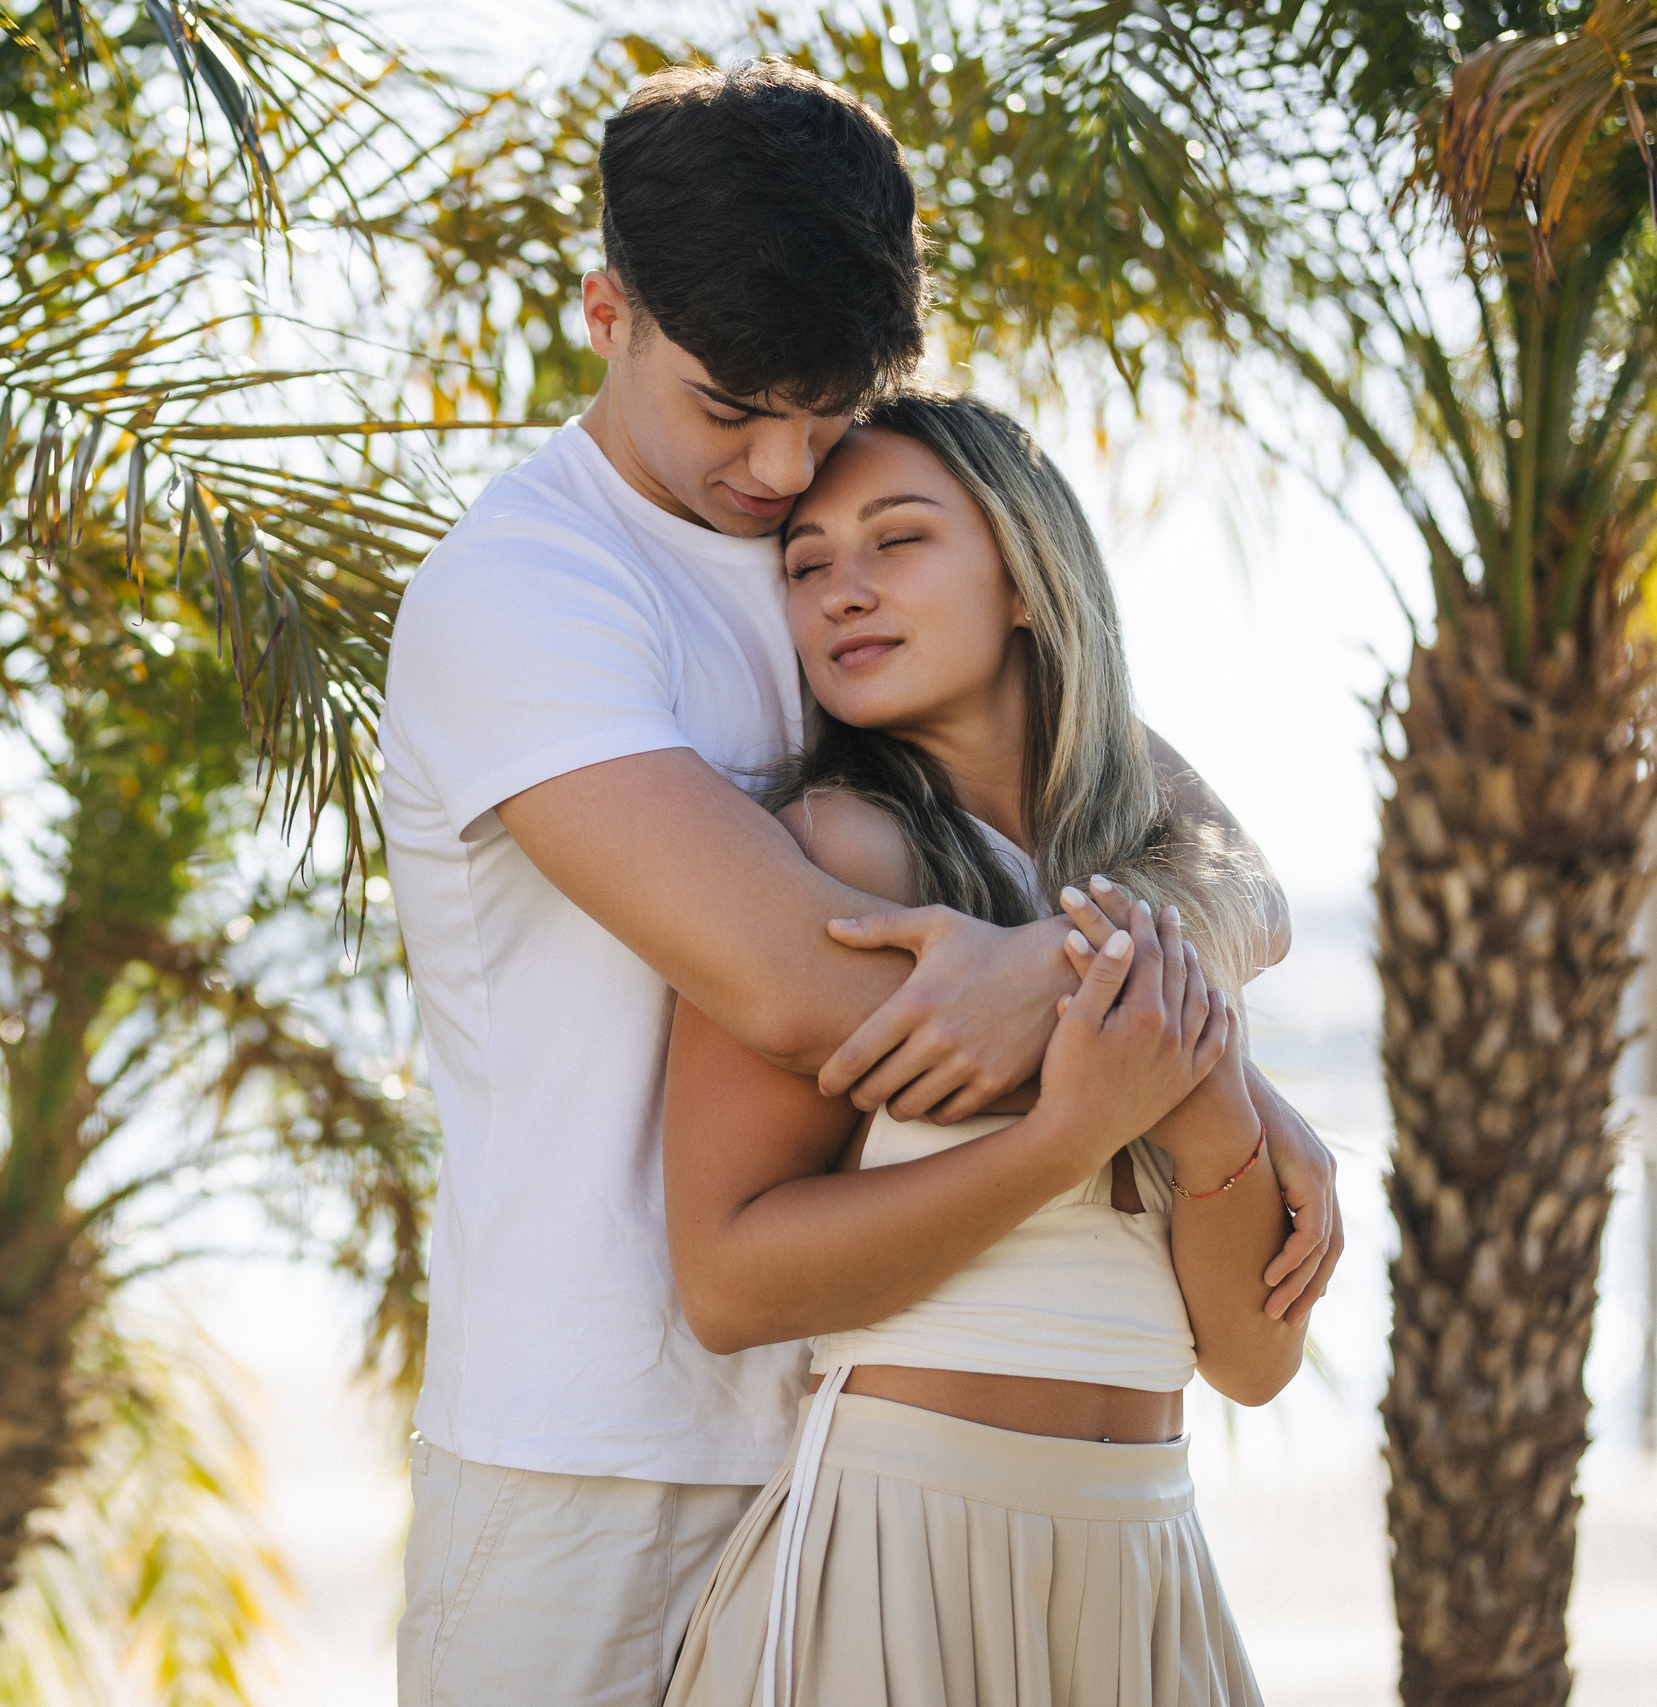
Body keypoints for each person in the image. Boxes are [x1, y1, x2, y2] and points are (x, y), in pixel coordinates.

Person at [379, 60, 1338, 1707]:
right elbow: (803, 987)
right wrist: (1158, 1048)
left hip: (853, 1423)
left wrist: (1198, 1051)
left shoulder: (840, 544)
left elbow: (1209, 854)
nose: (777, 471)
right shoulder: (528, 590)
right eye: (731, 411)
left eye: (821, 412)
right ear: (607, 312)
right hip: (594, 1447)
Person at [660, 393, 1300, 1706]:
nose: (844, 590)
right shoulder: (838, 857)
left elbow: (1250, 1359)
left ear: (1024, 576)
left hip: (1147, 1550)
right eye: (807, 563)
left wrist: (1213, 1114)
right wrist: (1063, 1137)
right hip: (906, 1551)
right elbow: (727, 1279)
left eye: (898, 541)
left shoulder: (1141, 898)